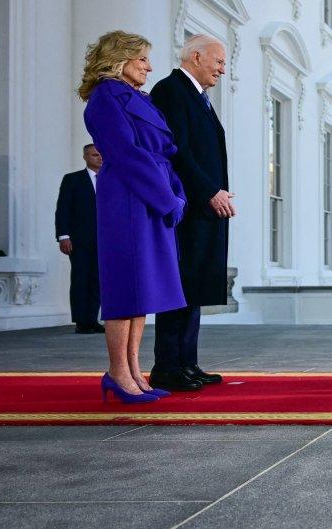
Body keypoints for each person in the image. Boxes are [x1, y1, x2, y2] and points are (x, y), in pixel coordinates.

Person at [79, 30, 188, 404]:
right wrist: (165, 198)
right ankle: (118, 373)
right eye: (142, 58)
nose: (149, 66)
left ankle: (133, 372)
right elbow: (126, 154)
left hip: (150, 193)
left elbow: (163, 152)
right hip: (128, 196)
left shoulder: (136, 97)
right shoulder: (107, 96)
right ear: (120, 57)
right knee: (126, 287)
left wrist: (176, 193)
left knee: (142, 288)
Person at [149, 34, 232, 392]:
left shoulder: (198, 97)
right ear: (196, 56)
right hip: (187, 207)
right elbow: (177, 151)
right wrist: (209, 190)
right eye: (218, 61)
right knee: (180, 286)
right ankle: (167, 366)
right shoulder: (170, 90)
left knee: (194, 287)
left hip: (204, 207)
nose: (222, 69)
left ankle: (187, 362)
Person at [55, 144, 105, 333]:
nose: (99, 158)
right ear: (85, 157)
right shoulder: (72, 180)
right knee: (80, 278)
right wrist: (63, 236)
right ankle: (81, 322)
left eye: (101, 154)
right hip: (79, 240)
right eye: (94, 155)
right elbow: (63, 209)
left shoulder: (110, 179)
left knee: (98, 280)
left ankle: (92, 319)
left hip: (105, 241)